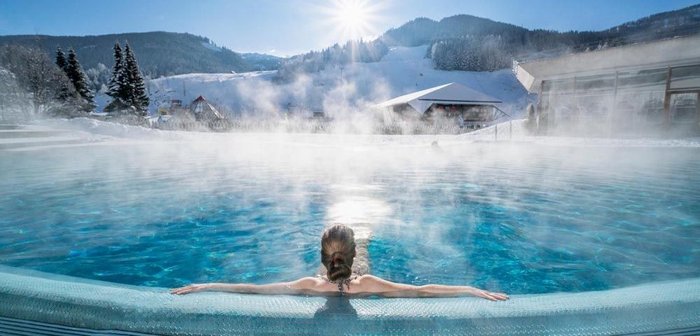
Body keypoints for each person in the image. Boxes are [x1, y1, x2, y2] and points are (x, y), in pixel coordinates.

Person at [171, 224, 509, 301]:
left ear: (321, 258)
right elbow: (420, 291)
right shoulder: (368, 282)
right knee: (365, 247)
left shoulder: (309, 284)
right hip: (354, 276)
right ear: (352, 258)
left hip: (331, 276)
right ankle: (362, 239)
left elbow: (255, 289)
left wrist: (209, 284)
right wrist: (470, 289)